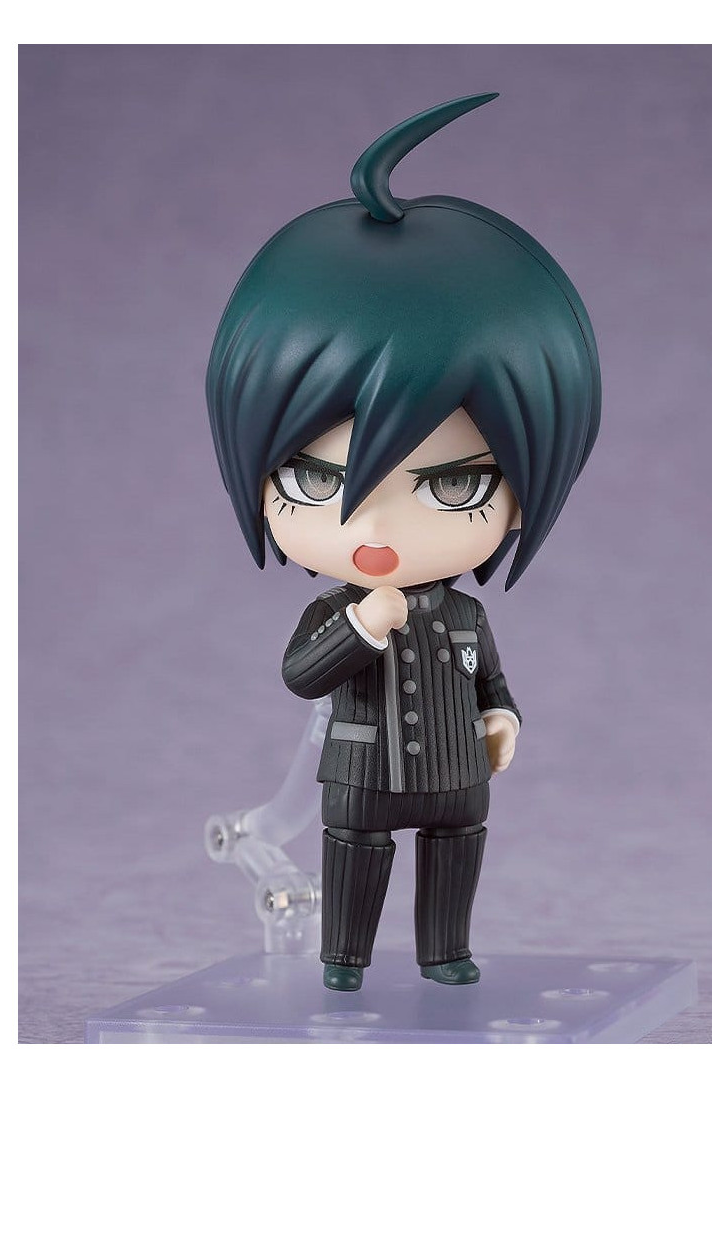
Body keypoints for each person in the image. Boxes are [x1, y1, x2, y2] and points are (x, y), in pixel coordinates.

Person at [206, 94, 601, 990]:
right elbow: (301, 674)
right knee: (357, 857)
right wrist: (360, 628)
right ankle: (343, 960)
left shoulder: (465, 614)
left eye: (453, 484)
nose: (376, 530)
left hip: (459, 777)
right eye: (316, 481)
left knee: (456, 857)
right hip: (360, 776)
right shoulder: (333, 606)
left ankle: (446, 953)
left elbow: (491, 680)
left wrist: (503, 717)